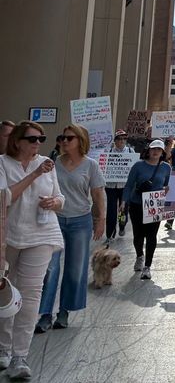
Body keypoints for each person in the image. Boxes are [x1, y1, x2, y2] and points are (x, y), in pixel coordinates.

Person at [0, 122, 64, 381]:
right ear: (17, 141)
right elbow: (5, 198)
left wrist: (55, 202)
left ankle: (20, 356)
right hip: (9, 237)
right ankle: (3, 348)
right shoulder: (3, 163)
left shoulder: (48, 163)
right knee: (6, 292)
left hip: (42, 234)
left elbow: (60, 197)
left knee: (30, 294)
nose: (38, 143)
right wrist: (35, 174)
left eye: (42, 139)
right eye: (33, 139)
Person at [35, 124, 106, 333]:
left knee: (75, 269)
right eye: (62, 138)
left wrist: (100, 219)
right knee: (50, 268)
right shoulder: (53, 163)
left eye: (69, 138)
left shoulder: (90, 165)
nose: (64, 141)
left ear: (80, 141)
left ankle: (64, 311)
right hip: (54, 220)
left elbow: (98, 194)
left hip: (80, 221)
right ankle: (45, 314)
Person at [122, 139, 171, 280]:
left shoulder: (166, 168)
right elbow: (129, 185)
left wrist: (167, 190)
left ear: (162, 152)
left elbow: (169, 185)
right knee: (138, 235)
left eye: (159, 150)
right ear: (148, 150)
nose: (155, 152)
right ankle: (139, 256)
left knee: (151, 235)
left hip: (155, 206)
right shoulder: (138, 166)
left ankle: (147, 266)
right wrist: (124, 202)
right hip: (137, 204)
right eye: (153, 149)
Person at [103, 130, 134, 245]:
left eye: (123, 139)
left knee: (123, 210)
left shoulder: (131, 151)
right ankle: (110, 233)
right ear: (115, 141)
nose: (121, 141)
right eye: (119, 139)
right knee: (111, 211)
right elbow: (103, 167)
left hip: (125, 187)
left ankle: (122, 225)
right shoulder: (108, 152)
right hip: (111, 186)